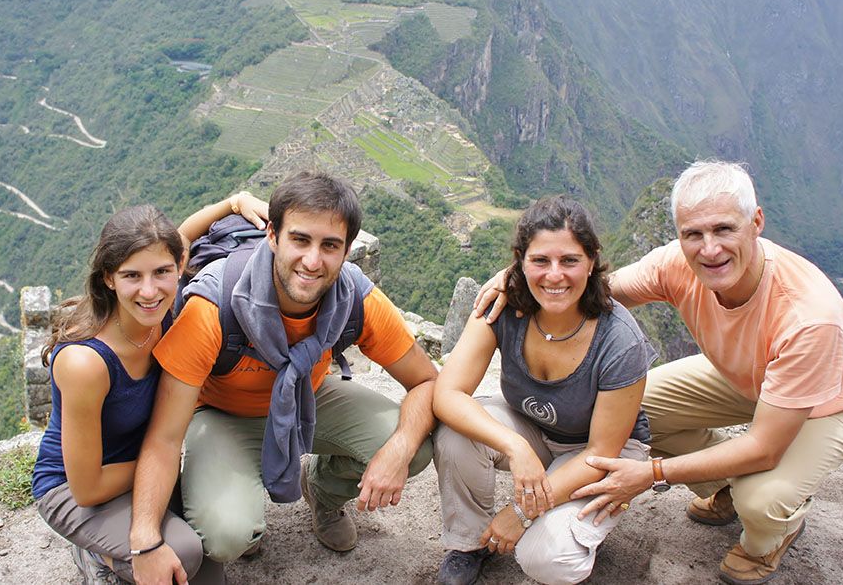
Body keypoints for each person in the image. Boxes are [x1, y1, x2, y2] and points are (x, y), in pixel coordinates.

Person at [475, 161, 843, 584]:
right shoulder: (677, 264)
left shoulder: (808, 316)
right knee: (638, 407)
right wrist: (516, 279)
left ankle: (770, 537)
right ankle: (725, 485)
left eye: (724, 229)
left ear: (757, 222)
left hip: (834, 400)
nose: (709, 249)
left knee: (762, 498)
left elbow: (765, 446)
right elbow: (583, 290)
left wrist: (653, 473)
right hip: (749, 376)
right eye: (693, 234)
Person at [129, 170, 437, 585]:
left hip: (310, 397)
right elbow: (165, 436)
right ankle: (232, 498)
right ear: (272, 236)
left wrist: (398, 450)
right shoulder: (214, 307)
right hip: (222, 413)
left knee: (416, 447)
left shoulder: (356, 300)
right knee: (229, 536)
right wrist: (144, 537)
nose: (313, 261)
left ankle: (323, 492)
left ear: (346, 252)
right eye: (300, 240)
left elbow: (425, 381)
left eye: (330, 246)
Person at [32, 192, 268, 584]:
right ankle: (99, 557)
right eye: (131, 276)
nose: (149, 290)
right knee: (184, 554)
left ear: (179, 267)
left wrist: (234, 202)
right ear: (109, 278)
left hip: (146, 465)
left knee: (210, 562)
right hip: (79, 488)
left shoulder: (168, 305)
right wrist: (166, 463)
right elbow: (87, 487)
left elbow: (182, 236)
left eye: (162, 273)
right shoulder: (86, 363)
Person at [433, 195, 657, 585]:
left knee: (546, 559)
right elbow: (447, 394)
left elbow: (601, 452)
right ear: (520, 260)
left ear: (591, 261)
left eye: (569, 260)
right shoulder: (504, 307)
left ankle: (579, 532)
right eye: (541, 261)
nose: (555, 275)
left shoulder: (619, 340)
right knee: (456, 434)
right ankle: (471, 544)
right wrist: (515, 447)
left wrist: (520, 513)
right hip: (534, 430)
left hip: (599, 454)